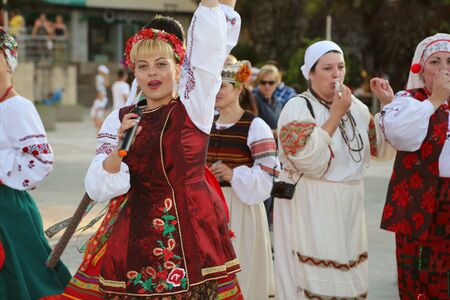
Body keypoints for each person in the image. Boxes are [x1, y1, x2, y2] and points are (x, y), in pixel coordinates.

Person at [62, 1, 242, 299]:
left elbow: (209, 54)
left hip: (192, 233)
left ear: (179, 67)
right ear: (134, 72)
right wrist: (119, 149)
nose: (152, 74)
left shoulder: (192, 107)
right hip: (135, 237)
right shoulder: (120, 118)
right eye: (142, 67)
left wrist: (213, 6)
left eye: (161, 64)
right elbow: (98, 187)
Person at [273, 40, 395, 299]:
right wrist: (335, 116)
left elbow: (381, 150)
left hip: (349, 204)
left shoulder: (357, 108)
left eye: (340, 67)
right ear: (311, 73)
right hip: (313, 203)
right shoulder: (298, 106)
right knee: (316, 281)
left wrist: (387, 106)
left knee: (347, 278)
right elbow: (306, 159)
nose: (337, 74)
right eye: (328, 68)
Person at [372, 33, 450, 300]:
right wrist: (435, 100)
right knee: (414, 277)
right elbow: (403, 137)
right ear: (421, 67)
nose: (443, 68)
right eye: (435, 61)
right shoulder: (407, 100)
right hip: (416, 200)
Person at [0, 29, 71, 300]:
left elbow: (41, 161)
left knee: (22, 281)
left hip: (9, 209)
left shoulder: (17, 107)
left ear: (9, 61)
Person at [207, 60, 277, 299]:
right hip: (207, 207)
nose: (216, 91)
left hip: (240, 210)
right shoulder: (205, 124)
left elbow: (268, 174)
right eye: (213, 85)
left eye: (223, 86)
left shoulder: (255, 126)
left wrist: (233, 173)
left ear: (238, 88)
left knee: (241, 273)